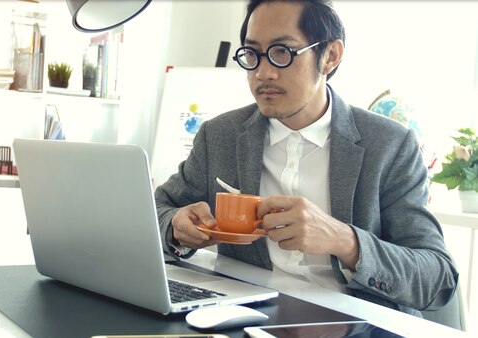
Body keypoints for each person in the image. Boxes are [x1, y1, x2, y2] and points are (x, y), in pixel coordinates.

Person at [154, 0, 458, 315]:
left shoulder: (391, 146)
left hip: (357, 321)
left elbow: (437, 278)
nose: (263, 73)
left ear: (330, 55)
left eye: (282, 52)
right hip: (249, 314)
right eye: (252, 54)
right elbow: (157, 209)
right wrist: (175, 226)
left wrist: (346, 242)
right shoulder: (220, 135)